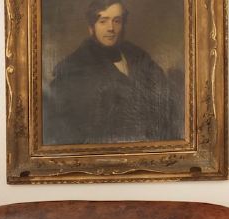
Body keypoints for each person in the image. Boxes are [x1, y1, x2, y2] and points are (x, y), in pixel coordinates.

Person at [43, 1, 181, 145]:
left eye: (117, 21)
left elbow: (165, 100)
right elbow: (68, 128)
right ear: (91, 28)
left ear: (123, 25)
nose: (111, 28)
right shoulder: (74, 68)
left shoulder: (138, 56)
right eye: (103, 21)